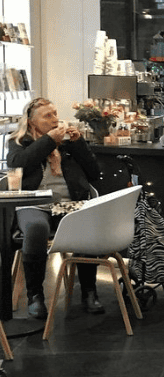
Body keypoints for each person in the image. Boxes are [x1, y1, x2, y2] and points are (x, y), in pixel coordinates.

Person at [7, 97, 104, 319]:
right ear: (32, 122)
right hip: (33, 204)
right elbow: (18, 163)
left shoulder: (68, 143)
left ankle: (89, 291)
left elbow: (95, 174)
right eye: (47, 116)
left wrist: (79, 144)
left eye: (55, 113)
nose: (55, 119)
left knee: (86, 223)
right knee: (36, 229)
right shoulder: (19, 141)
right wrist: (49, 141)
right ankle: (35, 296)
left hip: (69, 204)